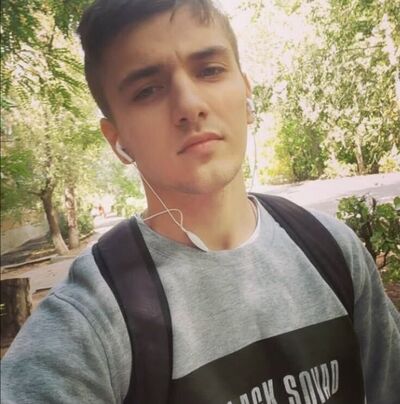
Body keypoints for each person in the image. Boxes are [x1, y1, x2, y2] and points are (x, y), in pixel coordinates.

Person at [2, 0, 399, 403]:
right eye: (147, 90)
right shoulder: (92, 321)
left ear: (246, 91)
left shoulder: (333, 249)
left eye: (210, 70)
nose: (190, 105)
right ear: (117, 139)